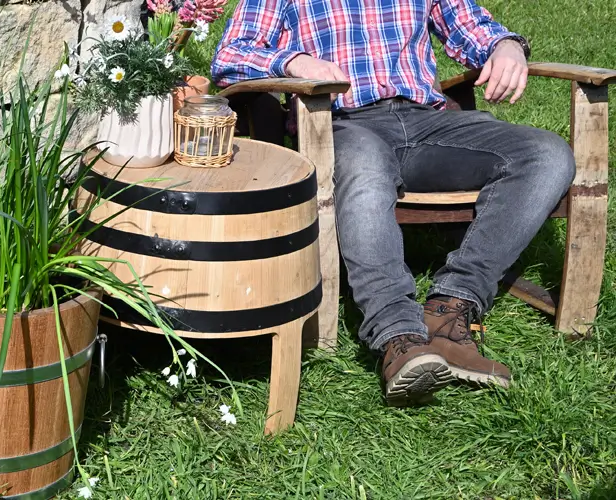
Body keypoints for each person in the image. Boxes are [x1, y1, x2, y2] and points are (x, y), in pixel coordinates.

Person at [209, 0, 576, 405]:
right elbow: (230, 55)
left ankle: (451, 307)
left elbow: (470, 25)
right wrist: (294, 62)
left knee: (546, 154)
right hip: (342, 124)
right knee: (365, 165)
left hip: (428, 122)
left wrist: (506, 46)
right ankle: (398, 336)